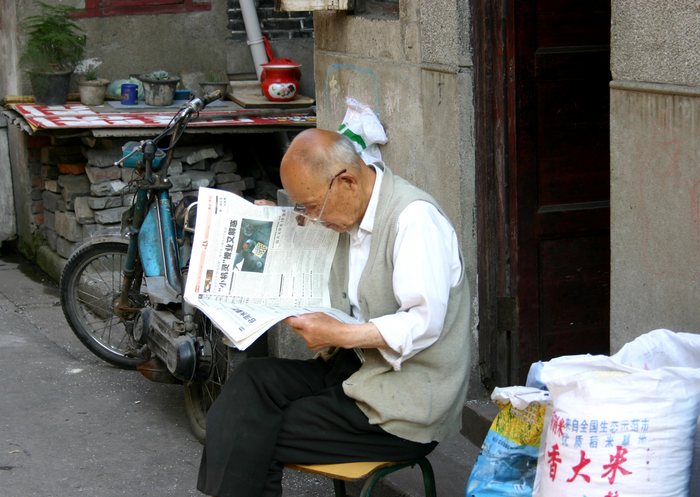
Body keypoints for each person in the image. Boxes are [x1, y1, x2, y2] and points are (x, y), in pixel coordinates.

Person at [197, 128, 471, 497]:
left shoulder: (414, 221)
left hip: (405, 406)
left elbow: (423, 323)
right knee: (248, 386)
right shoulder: (346, 211)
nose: (313, 218)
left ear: (347, 182)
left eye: (311, 207)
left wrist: (337, 334)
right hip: (355, 370)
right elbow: (306, 250)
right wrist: (273, 224)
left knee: (249, 433)